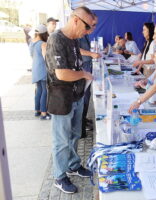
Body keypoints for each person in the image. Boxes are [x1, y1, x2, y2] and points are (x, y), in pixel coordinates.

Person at [45, 6, 94, 194]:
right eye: (87, 26)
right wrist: (83, 74)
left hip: (77, 96)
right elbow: (62, 73)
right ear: (75, 20)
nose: (88, 31)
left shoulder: (74, 40)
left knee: (75, 135)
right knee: (61, 140)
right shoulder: (56, 39)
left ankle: (73, 164)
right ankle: (59, 175)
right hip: (61, 98)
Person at [78, 14, 101, 138]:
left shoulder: (85, 33)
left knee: (86, 97)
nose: (94, 27)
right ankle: (81, 129)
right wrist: (91, 54)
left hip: (87, 65)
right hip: (83, 66)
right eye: (93, 24)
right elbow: (77, 49)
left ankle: (83, 121)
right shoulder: (79, 33)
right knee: (84, 98)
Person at [29, 24, 50, 120]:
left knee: (39, 90)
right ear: (44, 33)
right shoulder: (43, 44)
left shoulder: (31, 43)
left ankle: (37, 111)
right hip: (43, 69)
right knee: (45, 91)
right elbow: (46, 58)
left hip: (35, 69)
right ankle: (44, 113)